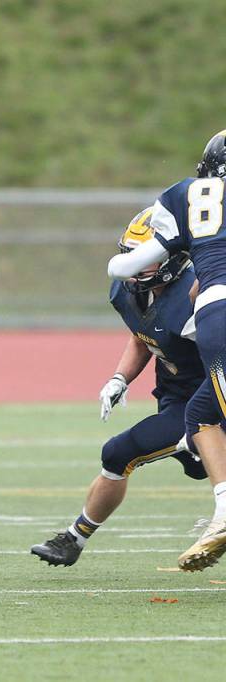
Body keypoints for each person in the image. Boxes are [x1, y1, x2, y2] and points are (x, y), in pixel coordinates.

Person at [32, 209, 205, 566]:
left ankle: (73, 540)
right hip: (175, 397)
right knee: (198, 465)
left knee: (118, 452)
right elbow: (144, 335)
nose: (132, 265)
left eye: (144, 258)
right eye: (129, 253)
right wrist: (120, 378)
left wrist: (208, 419)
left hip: (207, 401)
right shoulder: (129, 292)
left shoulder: (195, 298)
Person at [108, 130, 226, 571]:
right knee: (202, 416)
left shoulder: (185, 195)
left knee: (208, 419)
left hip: (219, 315)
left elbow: (125, 266)